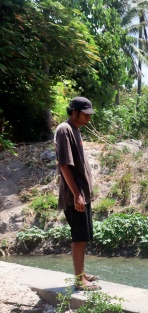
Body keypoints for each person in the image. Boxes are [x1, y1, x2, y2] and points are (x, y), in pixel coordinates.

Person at [54, 97, 100, 291]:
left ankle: (82, 273)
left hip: (81, 194)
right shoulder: (64, 130)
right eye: (85, 114)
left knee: (84, 235)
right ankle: (79, 280)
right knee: (79, 236)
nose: (88, 119)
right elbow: (64, 165)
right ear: (74, 111)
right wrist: (77, 194)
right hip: (75, 195)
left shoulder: (75, 130)